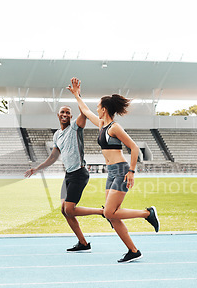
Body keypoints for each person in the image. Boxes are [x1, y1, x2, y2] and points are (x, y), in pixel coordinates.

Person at [67, 77, 160, 263]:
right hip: (111, 173)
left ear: (104, 109)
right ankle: (133, 250)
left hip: (121, 171)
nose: (96, 109)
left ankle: (147, 213)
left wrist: (131, 171)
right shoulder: (102, 125)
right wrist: (77, 95)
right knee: (113, 215)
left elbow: (133, 148)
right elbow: (84, 110)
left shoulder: (115, 128)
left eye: (98, 106)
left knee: (109, 213)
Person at [25, 105, 104, 252]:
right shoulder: (57, 135)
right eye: (62, 112)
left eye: (68, 112)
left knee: (70, 209)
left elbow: (84, 113)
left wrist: (77, 94)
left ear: (71, 116)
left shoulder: (75, 127)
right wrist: (37, 169)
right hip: (68, 175)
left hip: (79, 173)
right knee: (64, 210)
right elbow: (53, 157)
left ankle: (102, 212)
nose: (65, 114)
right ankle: (83, 243)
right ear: (58, 115)